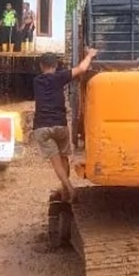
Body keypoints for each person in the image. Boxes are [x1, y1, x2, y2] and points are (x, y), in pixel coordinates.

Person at [33, 48, 97, 202]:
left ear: (41, 66)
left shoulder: (36, 81)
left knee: (56, 162)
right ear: (56, 65)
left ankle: (68, 188)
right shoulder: (59, 77)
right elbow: (82, 68)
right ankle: (66, 190)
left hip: (42, 127)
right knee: (64, 158)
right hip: (60, 125)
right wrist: (89, 55)